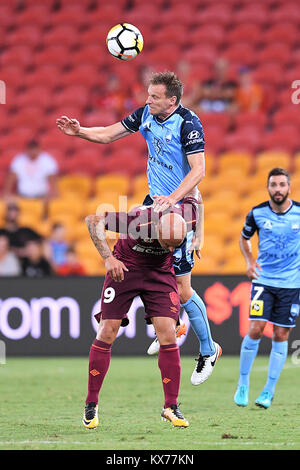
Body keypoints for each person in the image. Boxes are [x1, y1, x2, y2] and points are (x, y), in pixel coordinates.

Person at [57, 71, 221, 385]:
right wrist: (79, 132)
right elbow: (107, 134)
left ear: (172, 100)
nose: (148, 100)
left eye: (155, 96)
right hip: (154, 204)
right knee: (146, 264)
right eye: (148, 95)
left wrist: (171, 200)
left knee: (182, 287)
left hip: (181, 208)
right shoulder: (146, 114)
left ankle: (207, 348)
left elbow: (199, 171)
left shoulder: (188, 124)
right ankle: (171, 327)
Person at [82, 192, 199, 429]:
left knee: (168, 333)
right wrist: (108, 258)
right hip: (125, 268)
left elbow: (195, 192)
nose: (169, 248)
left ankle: (171, 406)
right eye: (166, 243)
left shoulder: (188, 218)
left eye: (174, 245)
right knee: (107, 331)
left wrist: (193, 243)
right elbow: (92, 220)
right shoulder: (138, 220)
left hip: (159, 274)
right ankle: (91, 403)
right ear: (156, 230)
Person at [234, 168, 300, 409]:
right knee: (256, 329)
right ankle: (243, 384)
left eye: (282, 184)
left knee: (282, 335)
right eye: (274, 185)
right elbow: (244, 238)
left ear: (289, 187)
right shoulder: (258, 213)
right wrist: (250, 261)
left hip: (292, 284)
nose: (278, 189)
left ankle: (268, 391)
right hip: (264, 280)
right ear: (268, 187)